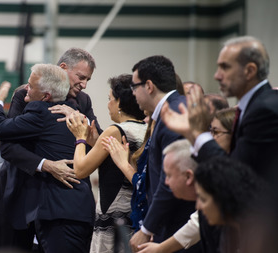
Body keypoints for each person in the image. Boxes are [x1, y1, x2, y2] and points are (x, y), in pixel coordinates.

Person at [0, 47, 101, 251]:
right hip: (22, 195)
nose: (84, 85)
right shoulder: (26, 94)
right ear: (63, 68)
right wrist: (45, 165)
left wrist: (77, 115)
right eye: (81, 77)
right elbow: (8, 147)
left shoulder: (82, 101)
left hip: (63, 200)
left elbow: (99, 141)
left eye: (88, 80)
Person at [161, 35, 278, 181]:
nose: (217, 75)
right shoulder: (256, 105)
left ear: (250, 70)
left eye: (225, 67)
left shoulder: (264, 111)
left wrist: (198, 133)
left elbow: (236, 173)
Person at [67, 74, 147, 252]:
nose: (108, 104)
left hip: (113, 213)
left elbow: (80, 170)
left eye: (110, 99)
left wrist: (80, 138)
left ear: (120, 103)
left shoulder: (115, 130)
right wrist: (95, 142)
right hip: (135, 212)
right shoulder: (147, 128)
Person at [127, 55, 198, 253]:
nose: (133, 94)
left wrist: (148, 227)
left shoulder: (174, 115)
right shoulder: (173, 109)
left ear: (148, 86)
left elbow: (172, 179)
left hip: (179, 224)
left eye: (134, 87)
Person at [194, 157, 263, 253]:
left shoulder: (264, 235)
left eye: (203, 199)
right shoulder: (228, 229)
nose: (198, 207)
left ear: (223, 197)